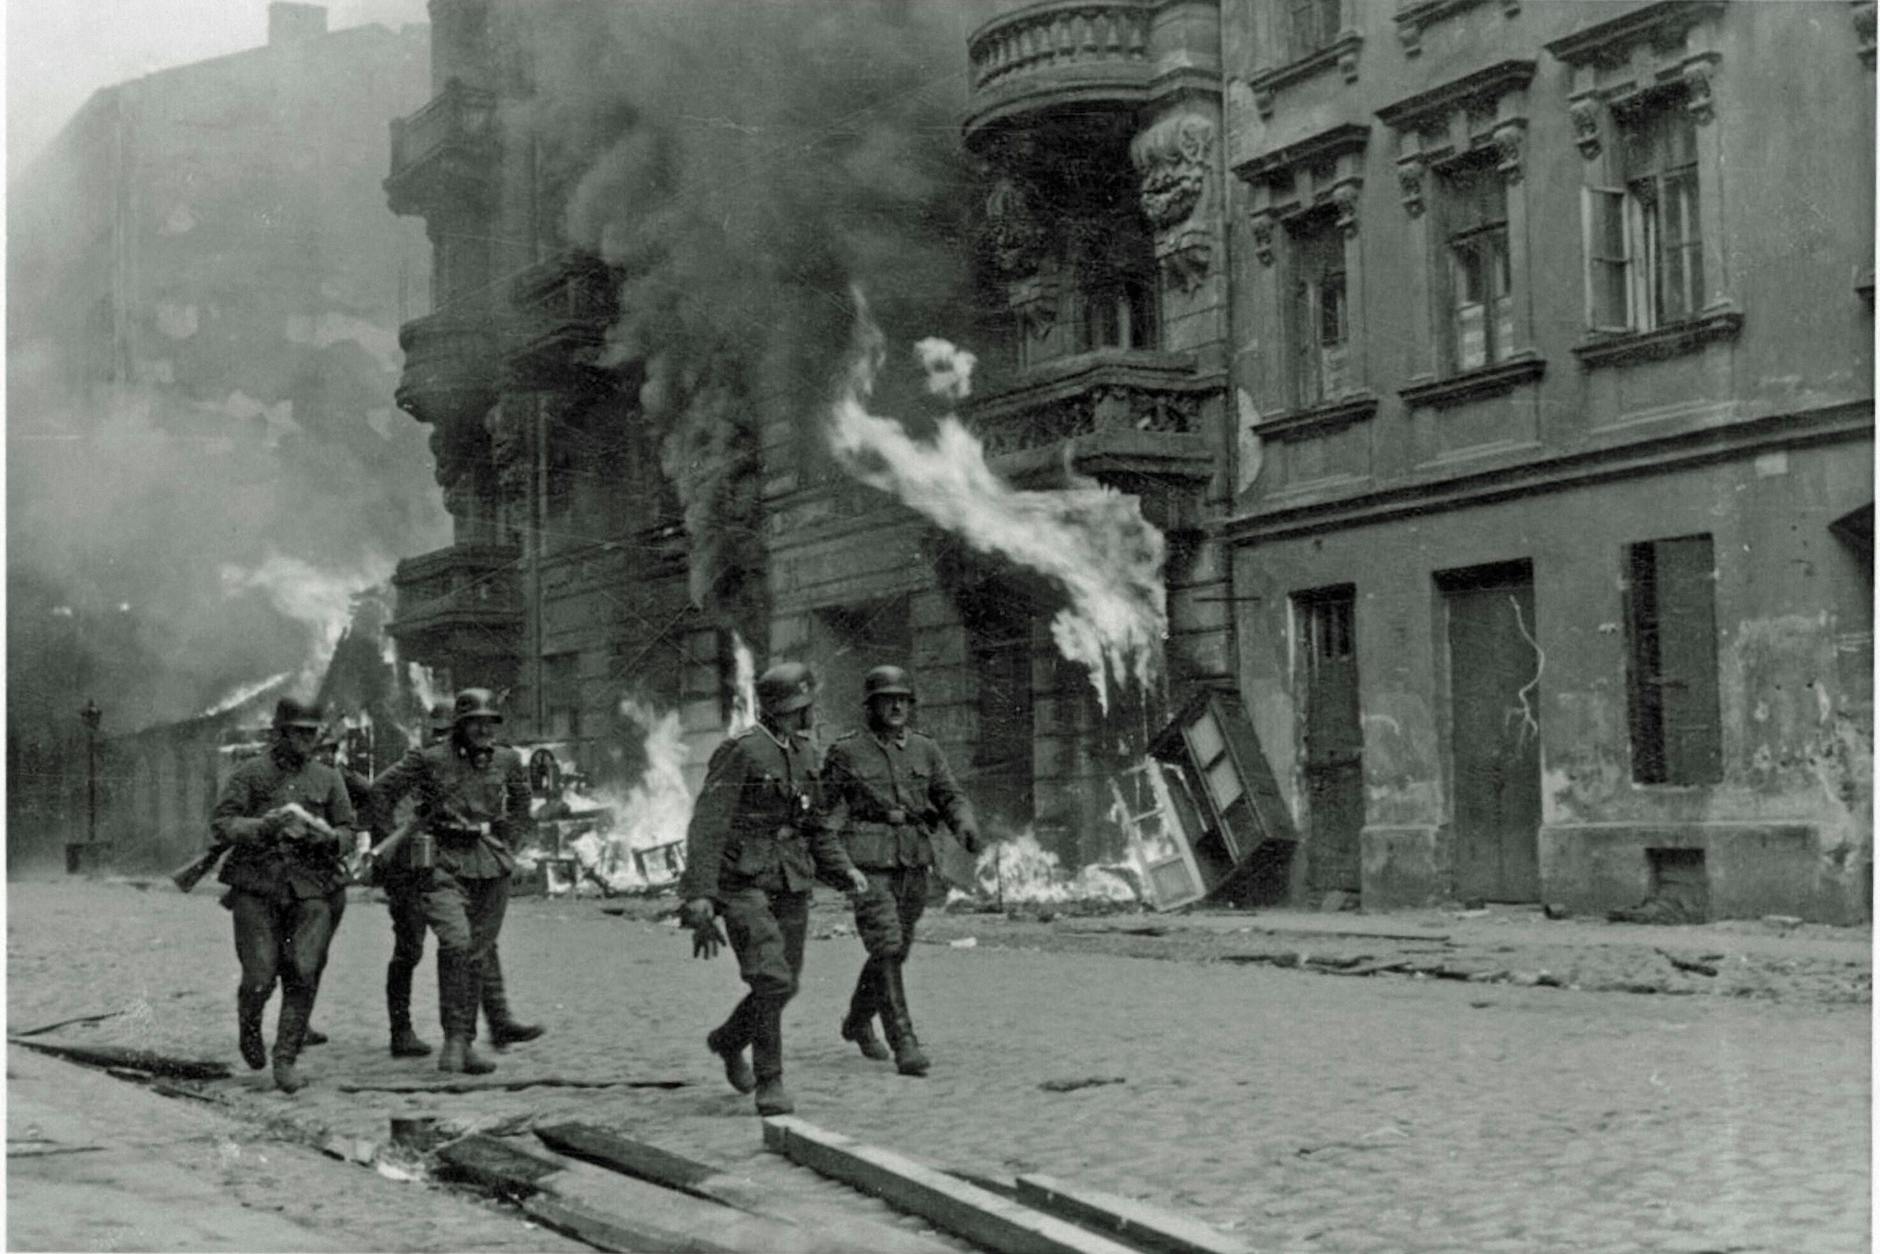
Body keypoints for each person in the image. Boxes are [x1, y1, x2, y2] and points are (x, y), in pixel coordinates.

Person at [679, 661, 869, 1116]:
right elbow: (707, 825)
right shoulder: (740, 751)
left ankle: (728, 1039)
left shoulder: (805, 752)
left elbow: (816, 823)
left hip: (790, 877)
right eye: (805, 705)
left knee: (787, 983)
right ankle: (771, 1080)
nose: (810, 712)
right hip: (741, 881)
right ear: (787, 708)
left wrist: (845, 871)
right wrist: (700, 894)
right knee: (771, 978)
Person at [369, 688, 540, 1074]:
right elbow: (381, 791)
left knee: (477, 953)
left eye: (490, 722)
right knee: (456, 942)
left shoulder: (509, 759)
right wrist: (394, 843)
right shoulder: (428, 759)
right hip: (440, 859)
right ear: (459, 725)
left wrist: (510, 839)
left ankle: (462, 1043)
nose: (484, 730)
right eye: (475, 722)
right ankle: (452, 1041)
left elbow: (522, 802)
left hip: (489, 861)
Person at [820, 665, 979, 1077]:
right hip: (868, 862)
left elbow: (949, 794)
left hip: (913, 860)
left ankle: (857, 1021)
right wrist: (833, 862)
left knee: (896, 949)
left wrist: (964, 823)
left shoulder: (925, 749)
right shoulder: (847, 751)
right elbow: (820, 812)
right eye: (886, 699)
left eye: (902, 699)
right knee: (887, 943)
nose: (895, 706)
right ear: (870, 705)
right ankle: (904, 1041)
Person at [210, 697, 356, 1093]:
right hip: (258, 884)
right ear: (280, 732)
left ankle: (286, 1057)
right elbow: (222, 824)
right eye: (298, 732)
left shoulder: (328, 778)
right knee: (259, 976)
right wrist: (262, 826)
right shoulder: (249, 774)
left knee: (304, 970)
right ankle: (250, 1024)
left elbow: (348, 831)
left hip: (312, 886)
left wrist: (328, 837)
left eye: (311, 732)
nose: (306, 739)